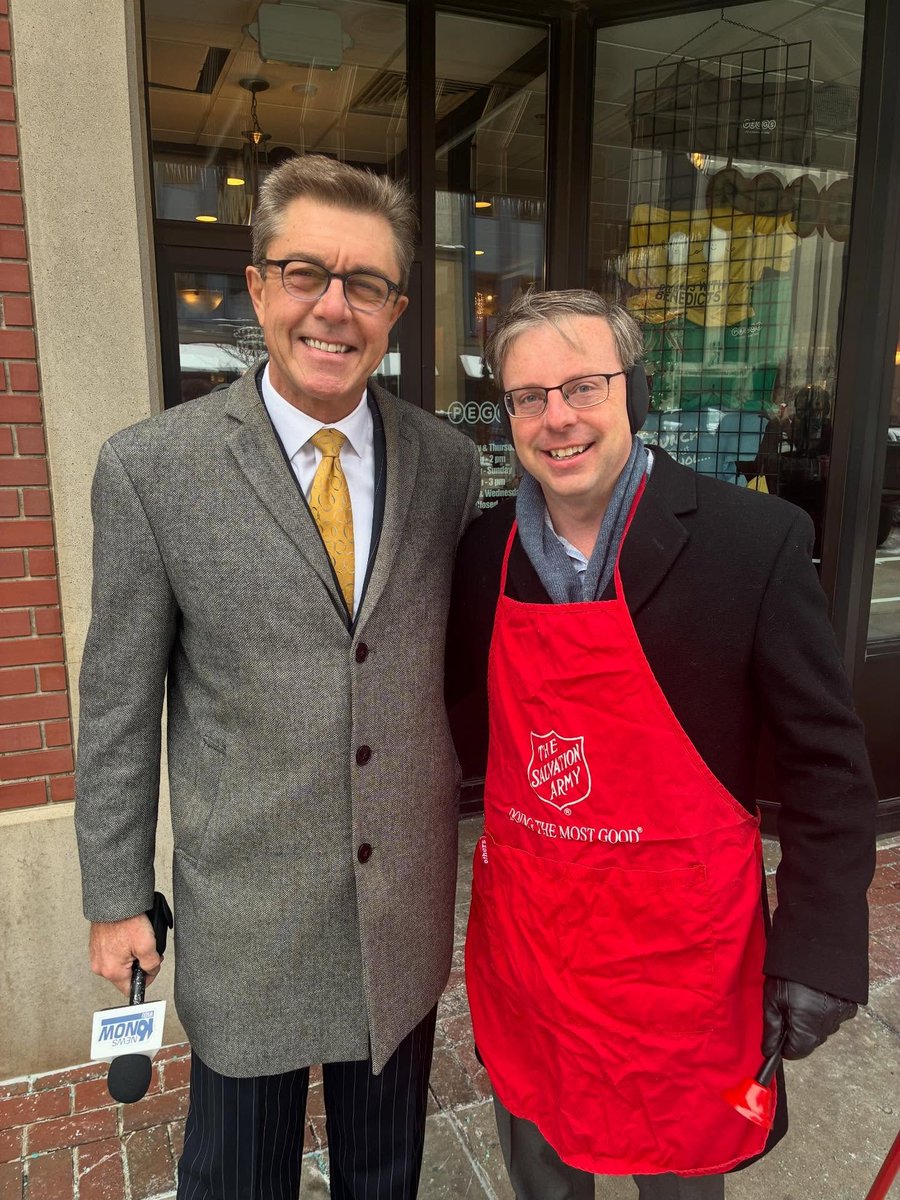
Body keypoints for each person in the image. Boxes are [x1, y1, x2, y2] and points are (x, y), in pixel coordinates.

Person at [75, 154, 481, 1199]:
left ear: (395, 309)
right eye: (306, 273)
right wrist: (117, 896)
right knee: (236, 1177)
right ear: (258, 287)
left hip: (399, 902)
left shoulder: (446, 465)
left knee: (383, 1172)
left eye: (367, 285)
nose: (334, 309)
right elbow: (119, 699)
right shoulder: (150, 468)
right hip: (247, 909)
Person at [446, 289, 875, 1200]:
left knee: (679, 1175)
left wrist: (818, 946)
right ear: (509, 416)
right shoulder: (482, 552)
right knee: (542, 1170)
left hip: (680, 973)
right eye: (529, 396)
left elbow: (826, 767)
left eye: (583, 386)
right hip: (535, 959)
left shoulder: (751, 542)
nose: (557, 417)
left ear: (634, 393)